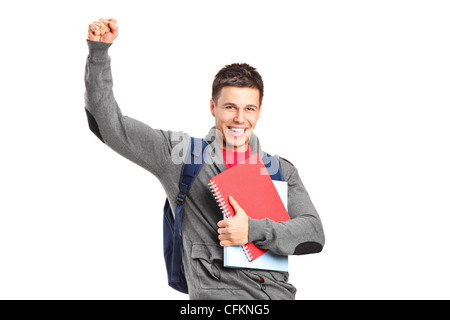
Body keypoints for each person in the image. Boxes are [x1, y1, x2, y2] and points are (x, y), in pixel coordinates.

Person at [84, 18, 325, 300]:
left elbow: (313, 234)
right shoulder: (182, 156)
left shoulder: (281, 170)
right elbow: (111, 127)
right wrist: (99, 54)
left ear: (259, 112)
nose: (239, 118)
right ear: (213, 107)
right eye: (230, 107)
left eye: (249, 108)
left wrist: (252, 229)